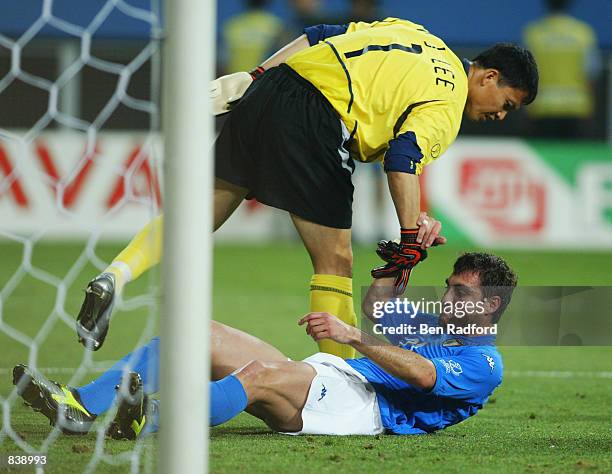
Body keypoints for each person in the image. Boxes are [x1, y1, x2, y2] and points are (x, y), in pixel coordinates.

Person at [76, 18, 538, 360]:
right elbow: (403, 158)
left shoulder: (417, 35)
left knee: (196, 220)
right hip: (316, 117)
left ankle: (115, 275)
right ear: (488, 77)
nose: (501, 115)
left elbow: (320, 33)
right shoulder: (448, 101)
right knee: (335, 260)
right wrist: (410, 236)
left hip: (273, 88)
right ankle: (338, 377)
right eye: (507, 104)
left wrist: (257, 76)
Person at [13, 251, 517, 438]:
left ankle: (151, 420)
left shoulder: (484, 363)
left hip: (365, 412)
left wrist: (352, 338)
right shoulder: (433, 324)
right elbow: (378, 306)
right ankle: (81, 404)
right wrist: (408, 254)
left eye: (462, 291)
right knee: (195, 333)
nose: (448, 294)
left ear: (490, 305)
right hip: (338, 379)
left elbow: (422, 376)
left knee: (254, 378)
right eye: (449, 285)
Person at [523, 0, 600, 138]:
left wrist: (526, 107)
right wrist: (590, 109)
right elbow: (590, 74)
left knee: (545, 157)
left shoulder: (534, 34)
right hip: (576, 108)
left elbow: (526, 74)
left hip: (542, 108)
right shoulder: (583, 33)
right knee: (573, 156)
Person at [221, 0, 284, 75]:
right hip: (262, 78)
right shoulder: (275, 25)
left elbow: (223, 59)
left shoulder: (232, 24)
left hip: (236, 78)